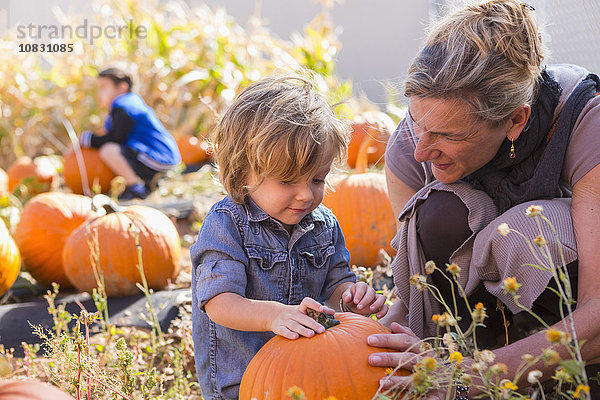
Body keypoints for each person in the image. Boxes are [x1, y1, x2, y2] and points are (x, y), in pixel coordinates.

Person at [365, 0, 600, 397]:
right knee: (438, 209)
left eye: (448, 135)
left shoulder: (583, 121)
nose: (422, 150)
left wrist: (468, 379)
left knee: (527, 227)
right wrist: (369, 338)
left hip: (572, 334)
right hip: (469, 337)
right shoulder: (411, 149)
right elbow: (416, 294)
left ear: (515, 120)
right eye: (417, 122)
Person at [190, 75, 389, 400]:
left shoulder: (323, 223)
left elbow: (335, 284)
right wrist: (275, 315)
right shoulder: (227, 224)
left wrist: (350, 298)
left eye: (317, 179)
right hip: (242, 381)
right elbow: (219, 303)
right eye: (286, 181)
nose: (305, 195)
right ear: (242, 173)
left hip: (309, 375)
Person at [80, 66, 181, 200]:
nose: (99, 93)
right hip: (160, 158)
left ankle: (137, 188)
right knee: (111, 149)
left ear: (122, 87)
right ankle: (143, 184)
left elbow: (115, 138)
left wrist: (87, 139)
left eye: (104, 87)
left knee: (108, 150)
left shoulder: (124, 105)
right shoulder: (129, 104)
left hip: (159, 159)